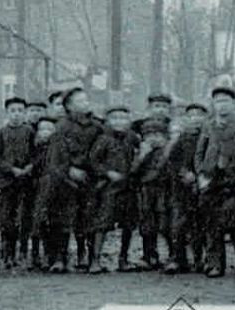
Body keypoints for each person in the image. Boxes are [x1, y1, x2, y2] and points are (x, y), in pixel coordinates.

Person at [195, 86, 235, 279]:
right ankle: (215, 265)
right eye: (218, 101)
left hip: (233, 180)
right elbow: (199, 153)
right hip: (212, 181)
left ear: (233, 104)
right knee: (213, 226)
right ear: (213, 104)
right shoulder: (208, 125)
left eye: (226, 101)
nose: (222, 105)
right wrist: (201, 176)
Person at [46, 87, 103, 272]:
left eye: (86, 99)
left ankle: (85, 256)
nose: (85, 103)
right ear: (69, 106)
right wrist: (69, 170)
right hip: (65, 181)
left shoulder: (97, 127)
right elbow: (56, 157)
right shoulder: (62, 127)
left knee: (88, 219)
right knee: (62, 220)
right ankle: (60, 258)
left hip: (90, 179)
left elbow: (101, 152)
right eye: (80, 101)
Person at [88, 105, 141, 272]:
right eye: (115, 118)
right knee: (102, 223)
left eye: (123, 118)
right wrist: (108, 173)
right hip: (109, 188)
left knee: (128, 224)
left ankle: (123, 259)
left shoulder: (132, 137)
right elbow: (93, 161)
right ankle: (95, 260)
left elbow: (138, 154)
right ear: (108, 121)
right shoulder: (103, 139)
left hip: (129, 187)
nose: (119, 122)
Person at [0, 96, 37, 268]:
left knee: (24, 217)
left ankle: (23, 251)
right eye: (13, 111)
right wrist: (11, 169)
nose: (16, 115)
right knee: (5, 218)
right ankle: (7, 253)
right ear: (7, 113)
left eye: (20, 111)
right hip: (5, 182)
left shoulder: (29, 131)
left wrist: (30, 167)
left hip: (25, 181)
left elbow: (35, 153)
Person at [162, 102, 208, 274]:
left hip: (203, 186)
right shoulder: (182, 138)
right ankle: (177, 258)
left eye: (199, 115)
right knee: (179, 224)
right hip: (182, 188)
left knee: (201, 224)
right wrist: (184, 173)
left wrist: (202, 176)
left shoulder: (209, 137)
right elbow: (172, 161)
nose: (196, 119)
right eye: (191, 116)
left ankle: (200, 259)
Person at [132, 116, 171, 270]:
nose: (154, 139)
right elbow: (133, 171)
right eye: (149, 135)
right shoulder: (142, 152)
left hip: (164, 191)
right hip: (146, 192)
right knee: (147, 225)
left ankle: (173, 255)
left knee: (165, 224)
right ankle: (149, 255)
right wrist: (142, 156)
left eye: (158, 135)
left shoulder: (168, 152)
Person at [29, 115, 58, 270]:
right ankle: (34, 256)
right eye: (42, 129)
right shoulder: (34, 148)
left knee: (50, 222)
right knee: (36, 223)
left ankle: (50, 256)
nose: (45, 132)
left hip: (52, 188)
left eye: (49, 129)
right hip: (34, 188)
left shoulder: (56, 148)